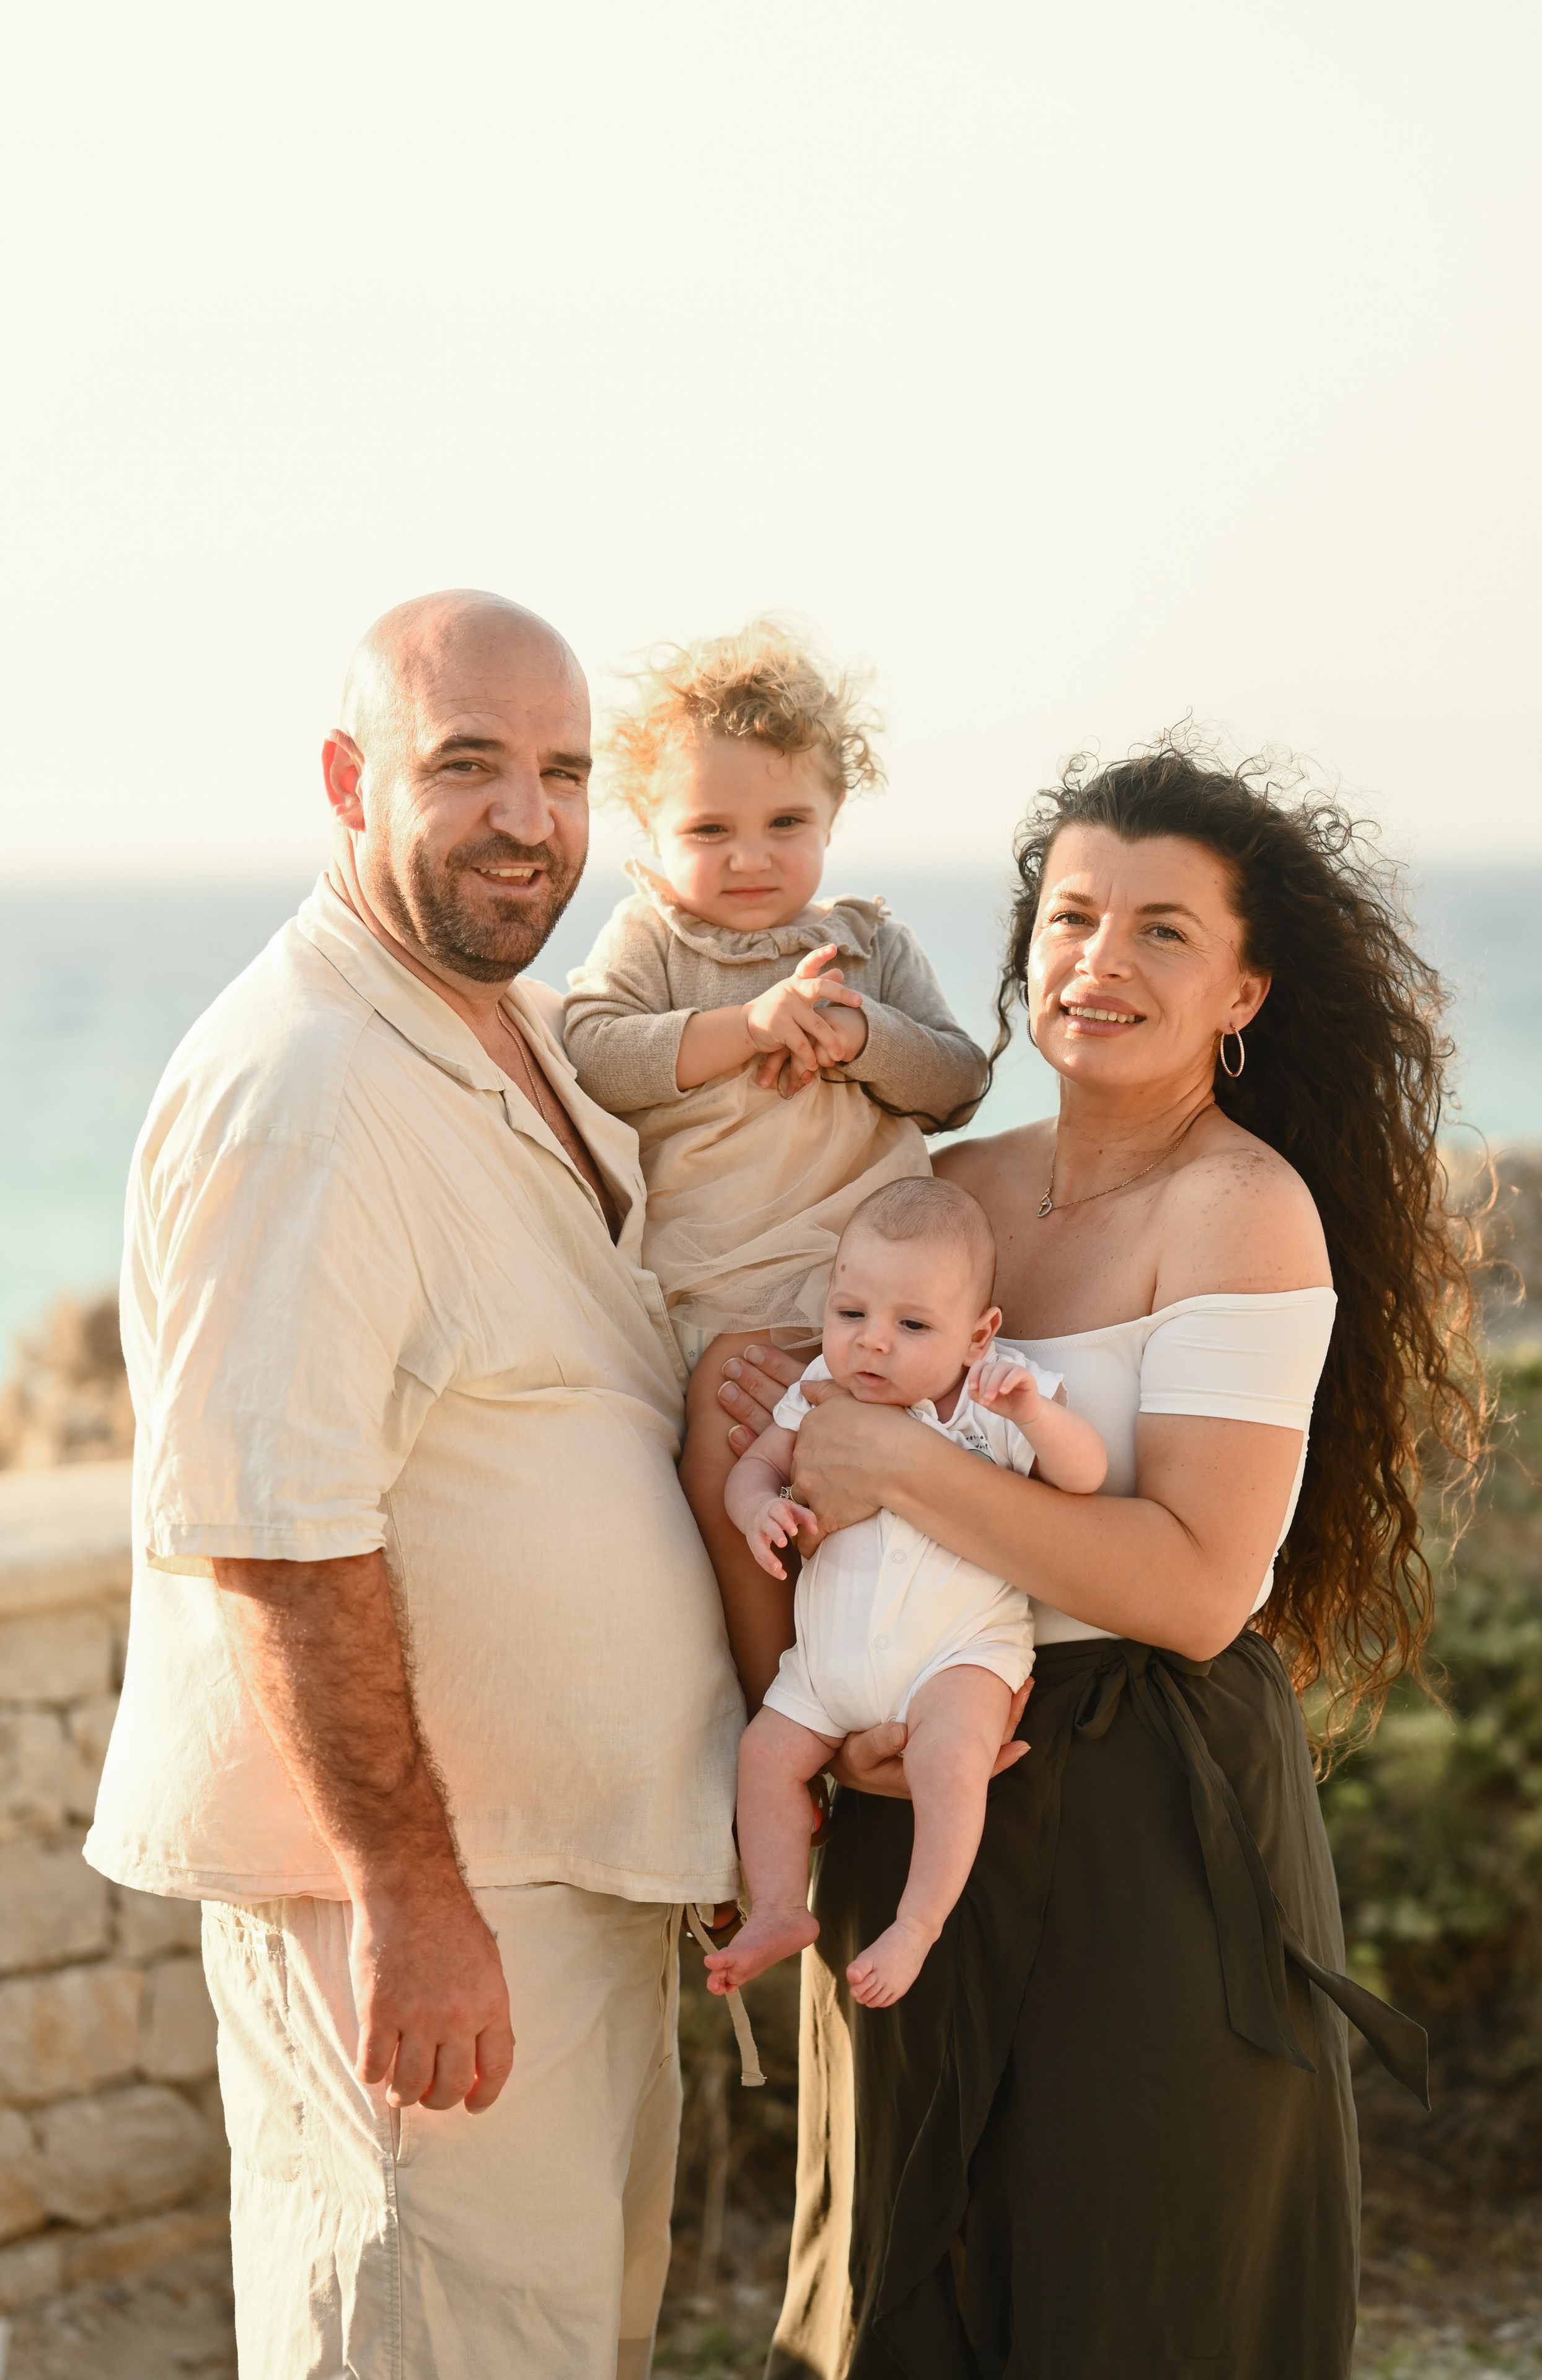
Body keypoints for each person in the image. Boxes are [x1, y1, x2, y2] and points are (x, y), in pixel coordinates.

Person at [705, 742, 1484, 2379]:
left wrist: (903, 1461)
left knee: (1133, 2296)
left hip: (1149, 1819)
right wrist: (831, 1701)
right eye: (1071, 918)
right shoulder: (945, 1194)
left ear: (1245, 992)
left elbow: (1198, 1585)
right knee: (895, 2300)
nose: (1099, 962)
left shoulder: (1242, 1210)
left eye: (1162, 934)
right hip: (909, 1808)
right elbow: (810, 1472)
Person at [84, 591, 746, 2380]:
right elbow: (273, 1526)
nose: (527, 819)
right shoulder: (308, 1082)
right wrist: (410, 1896)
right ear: (345, 782)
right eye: (465, 766)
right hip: (440, 1913)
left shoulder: (506, 1029)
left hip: (561, 1885)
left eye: (559, 772)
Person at [562, 622, 988, 1706]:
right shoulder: (654, 942)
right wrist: (747, 1027)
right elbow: (594, 1053)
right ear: (652, 836)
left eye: (786, 822)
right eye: (711, 828)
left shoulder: (867, 948)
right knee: (734, 1466)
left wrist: (863, 1038)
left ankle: (915, 1689)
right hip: (732, 1301)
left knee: (902, 1505)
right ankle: (777, 1706)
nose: (751, 857)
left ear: (833, 817)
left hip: (873, 1298)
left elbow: (958, 1081)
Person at [707, 1177, 1106, 2009]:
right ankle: (780, 1906)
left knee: (954, 1755)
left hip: (954, 1655)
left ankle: (918, 1924)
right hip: (826, 1669)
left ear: (978, 1335)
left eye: (913, 1325)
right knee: (766, 1757)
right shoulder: (819, 1383)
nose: (872, 1345)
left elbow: (1085, 1475)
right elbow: (754, 1468)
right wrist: (760, 1511)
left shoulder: (994, 1395)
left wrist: (1036, 1415)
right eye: (851, 1314)